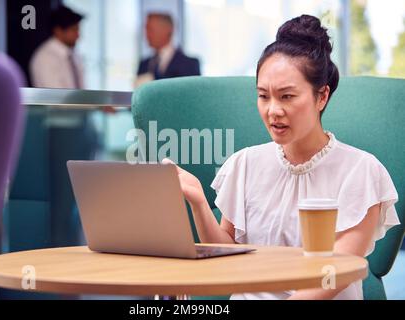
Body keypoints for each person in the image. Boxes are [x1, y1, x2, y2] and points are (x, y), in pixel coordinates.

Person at [162, 15, 400, 300]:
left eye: (286, 97)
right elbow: (224, 259)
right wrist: (198, 201)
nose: (272, 110)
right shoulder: (244, 164)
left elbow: (333, 275)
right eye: (264, 96)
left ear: (321, 96)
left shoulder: (361, 172)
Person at [135, 13, 201, 87]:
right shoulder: (144, 64)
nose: (146, 34)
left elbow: (191, 94)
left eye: (150, 29)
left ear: (168, 30)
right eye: (146, 29)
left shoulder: (189, 64)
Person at [29, 5, 83, 89]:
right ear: (58, 31)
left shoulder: (74, 55)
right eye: (73, 30)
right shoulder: (45, 57)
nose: (78, 35)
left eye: (78, 30)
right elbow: (57, 96)